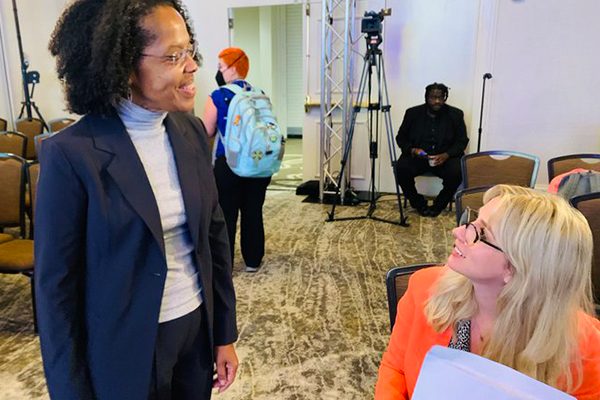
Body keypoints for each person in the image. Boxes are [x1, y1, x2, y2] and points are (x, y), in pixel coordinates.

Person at [35, 1, 238, 399]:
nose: (193, 66)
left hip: (194, 333)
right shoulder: (72, 155)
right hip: (123, 350)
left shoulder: (192, 132)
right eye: (173, 56)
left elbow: (215, 238)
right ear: (125, 67)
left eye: (190, 51)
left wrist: (223, 334)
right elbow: (56, 291)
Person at [375, 185, 600, 399]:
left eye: (481, 233)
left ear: (518, 267)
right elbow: (396, 369)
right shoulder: (424, 289)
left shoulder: (587, 347)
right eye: (472, 220)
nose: (457, 231)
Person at [201, 48, 271, 273]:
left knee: (226, 213)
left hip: (229, 163)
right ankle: (253, 260)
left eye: (221, 66)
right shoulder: (259, 92)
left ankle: (226, 263)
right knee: (253, 209)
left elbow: (207, 131)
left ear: (232, 68)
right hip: (259, 163)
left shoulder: (218, 96)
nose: (218, 71)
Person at [395, 83, 468, 217]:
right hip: (419, 157)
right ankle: (418, 204)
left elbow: (462, 141)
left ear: (445, 97)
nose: (437, 101)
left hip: (445, 158)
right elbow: (401, 138)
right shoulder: (412, 113)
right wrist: (412, 150)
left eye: (440, 97)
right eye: (433, 97)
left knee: (457, 171)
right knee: (401, 168)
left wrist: (446, 155)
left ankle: (439, 205)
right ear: (426, 97)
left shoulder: (455, 114)